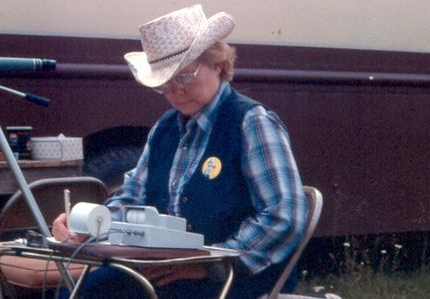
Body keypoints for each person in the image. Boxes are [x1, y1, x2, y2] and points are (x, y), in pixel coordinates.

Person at [52, 4, 307, 299]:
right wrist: (89, 224)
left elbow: (284, 215)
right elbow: (133, 195)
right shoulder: (165, 128)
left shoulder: (251, 122)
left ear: (218, 65)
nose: (175, 91)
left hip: (236, 275)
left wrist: (212, 265)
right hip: (169, 269)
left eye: (184, 77)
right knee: (86, 292)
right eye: (164, 84)